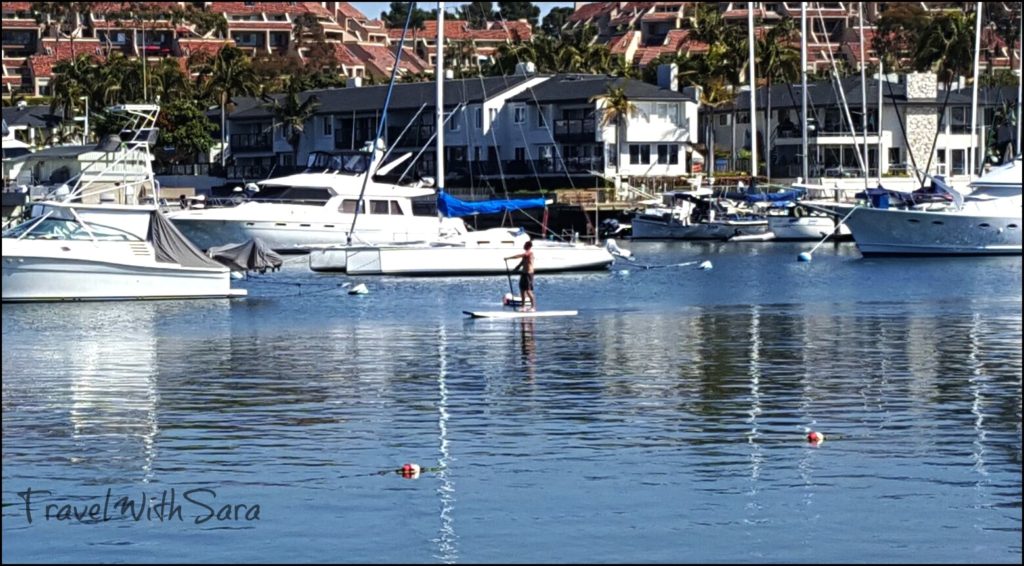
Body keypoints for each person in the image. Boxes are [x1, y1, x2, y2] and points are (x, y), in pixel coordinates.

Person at [506, 240, 536, 312]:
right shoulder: (525, 256)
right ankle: (523, 307)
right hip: (523, 274)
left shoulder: (529, 253)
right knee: (522, 290)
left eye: (525, 244)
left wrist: (508, 258)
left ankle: (533, 307)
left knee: (528, 291)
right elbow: (520, 265)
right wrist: (512, 272)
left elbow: (519, 256)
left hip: (528, 274)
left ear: (528, 246)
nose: (523, 246)